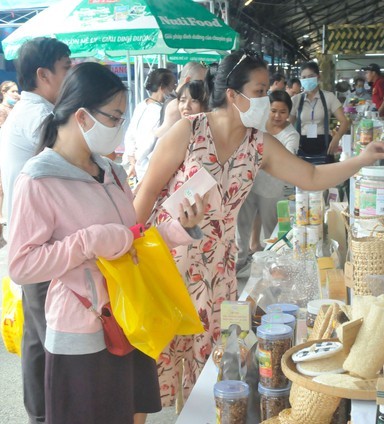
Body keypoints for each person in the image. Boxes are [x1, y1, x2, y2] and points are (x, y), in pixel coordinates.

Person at [133, 49, 384, 406]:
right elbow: (145, 195)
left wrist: (361, 160)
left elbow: (312, 176)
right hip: (167, 261)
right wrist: (130, 253)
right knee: (156, 363)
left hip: (216, 270)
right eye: (259, 91)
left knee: (208, 365)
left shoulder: (258, 145)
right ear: (233, 95)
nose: (267, 100)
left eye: (268, 90)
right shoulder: (188, 131)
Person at [7, 62, 205, 424]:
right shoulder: (38, 180)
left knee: (133, 411)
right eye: (114, 118)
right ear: (82, 117)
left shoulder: (112, 172)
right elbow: (21, 266)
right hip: (83, 328)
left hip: (133, 314)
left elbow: (130, 241)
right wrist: (88, 242)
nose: (119, 129)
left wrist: (179, 229)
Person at [0, 37, 71, 424]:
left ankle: (41, 415)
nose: (71, 73)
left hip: (31, 240)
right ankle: (51, 414)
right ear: (43, 75)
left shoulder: (30, 112)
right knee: (54, 338)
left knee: (37, 339)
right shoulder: (40, 118)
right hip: (41, 245)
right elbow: (73, 162)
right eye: (66, 67)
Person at [236, 90, 300, 269]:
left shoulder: (291, 135)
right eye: (273, 111)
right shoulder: (258, 124)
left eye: (282, 112)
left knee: (272, 228)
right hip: (249, 184)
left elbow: (285, 160)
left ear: (289, 113)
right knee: (242, 225)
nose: (277, 116)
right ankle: (239, 261)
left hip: (272, 189)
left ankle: (274, 266)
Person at [290, 61, 350, 163]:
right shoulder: (296, 99)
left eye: (311, 76)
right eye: (304, 77)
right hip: (301, 144)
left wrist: (336, 138)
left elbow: (344, 122)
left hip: (324, 143)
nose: (307, 79)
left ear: (318, 77)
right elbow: (289, 125)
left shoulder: (329, 97)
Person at [124, 68, 176, 182]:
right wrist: (136, 161)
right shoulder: (161, 112)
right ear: (162, 87)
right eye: (173, 85)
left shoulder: (141, 105)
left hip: (137, 165)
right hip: (147, 167)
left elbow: (129, 135)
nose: (174, 90)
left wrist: (131, 158)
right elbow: (149, 143)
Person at [154, 62, 207, 139]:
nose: (202, 87)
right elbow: (164, 136)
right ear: (188, 80)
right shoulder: (175, 105)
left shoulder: (172, 100)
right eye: (199, 82)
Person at [0, 80, 20, 226]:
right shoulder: (1, 110)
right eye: (13, 91)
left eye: (17, 91)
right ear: (3, 92)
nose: (16, 94)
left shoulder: (16, 109)